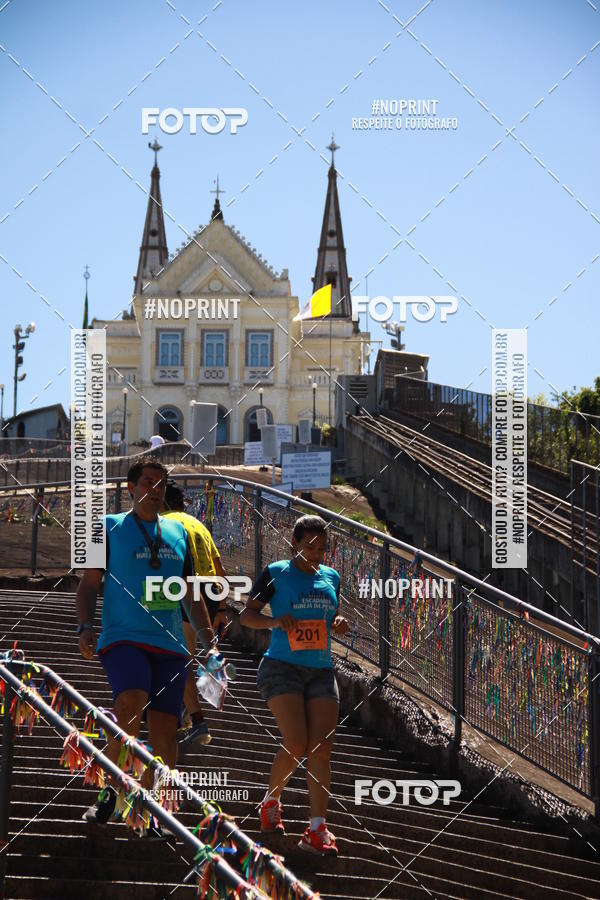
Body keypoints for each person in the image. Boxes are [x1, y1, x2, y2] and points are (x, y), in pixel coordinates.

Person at [76, 455, 217, 837]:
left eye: (161, 484)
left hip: (169, 643)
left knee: (165, 732)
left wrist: (209, 641)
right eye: (148, 482)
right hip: (123, 636)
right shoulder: (103, 527)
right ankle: (111, 791)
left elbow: (192, 595)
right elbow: (88, 584)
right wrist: (84, 626)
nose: (156, 490)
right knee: (130, 701)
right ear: (131, 488)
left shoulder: (179, 535)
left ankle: (157, 810)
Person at [240, 514, 349, 856]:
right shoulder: (276, 573)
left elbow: (331, 618)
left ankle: (317, 829)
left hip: (320, 670)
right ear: (295, 544)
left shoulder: (331, 577)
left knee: (322, 749)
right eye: (309, 546)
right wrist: (274, 621)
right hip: (281, 666)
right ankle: (271, 802)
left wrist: (339, 623)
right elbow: (246, 614)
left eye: (321, 548)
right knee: (297, 742)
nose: (316, 554)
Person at [160, 478, 230, 747]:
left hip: (183, 590)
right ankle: (184, 711)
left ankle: (196, 720)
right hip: (210, 590)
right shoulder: (198, 524)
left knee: (180, 659)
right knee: (186, 656)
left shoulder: (165, 524)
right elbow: (220, 567)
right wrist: (222, 608)